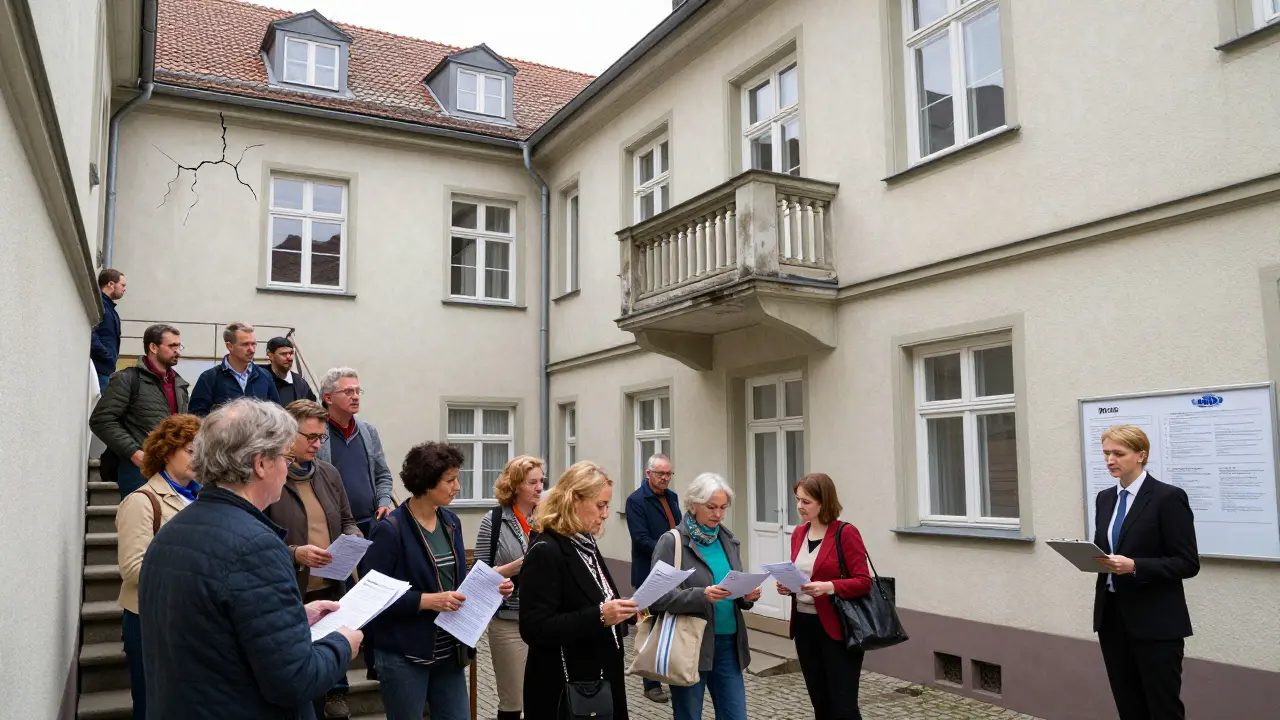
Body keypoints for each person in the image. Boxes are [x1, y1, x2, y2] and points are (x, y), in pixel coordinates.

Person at [139, 398, 361, 719]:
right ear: (260, 464)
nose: (287, 468)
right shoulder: (256, 546)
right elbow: (294, 680)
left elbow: (214, 628)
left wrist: (293, 618)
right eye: (285, 457)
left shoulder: (172, 532)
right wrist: (342, 643)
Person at [361, 441, 514, 720]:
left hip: (449, 650)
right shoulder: (390, 530)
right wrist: (426, 601)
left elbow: (457, 583)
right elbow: (372, 596)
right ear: (427, 482)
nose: (457, 487)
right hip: (404, 653)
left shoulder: (451, 521)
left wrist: (492, 587)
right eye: (450, 480)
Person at [264, 400, 363, 720]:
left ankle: (334, 694)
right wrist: (295, 553)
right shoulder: (270, 476)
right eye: (310, 437)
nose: (317, 444)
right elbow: (257, 537)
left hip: (330, 590)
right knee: (298, 684)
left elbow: (348, 520)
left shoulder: (328, 473)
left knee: (325, 681)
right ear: (287, 433)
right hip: (291, 593)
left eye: (321, 437)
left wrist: (354, 538)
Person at [1092, 425, 1199, 720]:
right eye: (1106, 453)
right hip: (1112, 617)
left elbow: (1187, 562)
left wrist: (1136, 566)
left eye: (1118, 453)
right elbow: (1109, 548)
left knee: (1162, 707)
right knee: (1128, 705)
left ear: (1141, 455)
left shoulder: (1168, 498)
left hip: (1155, 621)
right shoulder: (1105, 498)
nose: (1110, 460)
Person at [521, 461, 636, 720]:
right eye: (600, 505)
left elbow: (593, 598)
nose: (605, 514)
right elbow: (534, 628)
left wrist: (623, 611)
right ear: (574, 501)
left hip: (600, 682)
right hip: (566, 691)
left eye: (608, 506)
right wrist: (600, 615)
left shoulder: (585, 544)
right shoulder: (546, 550)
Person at [649, 472, 758, 720]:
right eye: (711, 507)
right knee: (689, 715)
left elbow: (732, 587)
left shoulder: (728, 540)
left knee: (735, 715)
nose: (718, 514)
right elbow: (656, 596)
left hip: (728, 643)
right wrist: (702, 596)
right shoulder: (672, 542)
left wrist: (746, 595)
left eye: (723, 507)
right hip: (690, 643)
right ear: (693, 505)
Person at [115, 413, 201, 720]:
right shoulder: (141, 501)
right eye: (190, 450)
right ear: (166, 451)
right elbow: (133, 569)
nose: (198, 458)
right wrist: (198, 573)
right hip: (150, 621)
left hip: (190, 618)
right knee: (154, 707)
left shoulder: (201, 496)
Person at [775, 472, 871, 720]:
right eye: (798, 499)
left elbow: (863, 582)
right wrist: (789, 586)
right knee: (820, 704)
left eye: (806, 501)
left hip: (838, 628)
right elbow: (803, 576)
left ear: (823, 502)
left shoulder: (845, 533)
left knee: (844, 707)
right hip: (804, 626)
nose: (799, 506)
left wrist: (829, 587)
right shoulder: (799, 533)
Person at [475, 455, 545, 720]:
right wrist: (517, 566)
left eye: (541, 481)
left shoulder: (548, 519)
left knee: (543, 697)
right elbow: (479, 576)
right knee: (514, 700)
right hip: (509, 622)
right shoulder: (493, 520)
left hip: (545, 620)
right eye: (532, 482)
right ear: (515, 486)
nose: (539, 487)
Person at [90, 324, 190, 497]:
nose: (177, 351)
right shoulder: (127, 379)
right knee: (140, 514)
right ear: (153, 348)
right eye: (172, 346)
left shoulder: (179, 385)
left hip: (172, 470)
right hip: (138, 470)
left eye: (178, 346)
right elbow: (101, 420)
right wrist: (133, 453)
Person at [624, 453, 679, 703]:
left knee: (671, 627)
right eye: (660, 473)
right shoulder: (636, 500)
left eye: (668, 473)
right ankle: (651, 684)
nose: (665, 478)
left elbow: (679, 529)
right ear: (648, 474)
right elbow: (640, 539)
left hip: (673, 573)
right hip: (648, 574)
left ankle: (672, 674)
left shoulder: (672, 497)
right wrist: (669, 551)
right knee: (648, 627)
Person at [315, 367, 394, 536]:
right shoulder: (316, 436)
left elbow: (383, 475)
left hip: (371, 523)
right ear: (328, 398)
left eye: (358, 391)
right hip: (335, 528)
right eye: (348, 392)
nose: (356, 396)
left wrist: (384, 502)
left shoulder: (368, 432)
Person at [188, 322, 282, 416]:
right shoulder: (209, 378)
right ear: (230, 346)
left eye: (253, 344)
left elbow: (277, 414)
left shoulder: (264, 376)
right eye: (245, 344)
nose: (252, 349)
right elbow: (197, 416)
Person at [91, 268, 126, 391]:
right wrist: (106, 356)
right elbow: (91, 332)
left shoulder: (109, 308)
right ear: (111, 284)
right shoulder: (99, 305)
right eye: (122, 285)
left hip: (105, 369)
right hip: (99, 368)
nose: (124, 289)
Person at [265, 336, 318, 405]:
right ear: (270, 356)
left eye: (291, 353)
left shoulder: (301, 384)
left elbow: (312, 407)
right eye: (283, 354)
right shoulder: (260, 380)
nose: (289, 358)